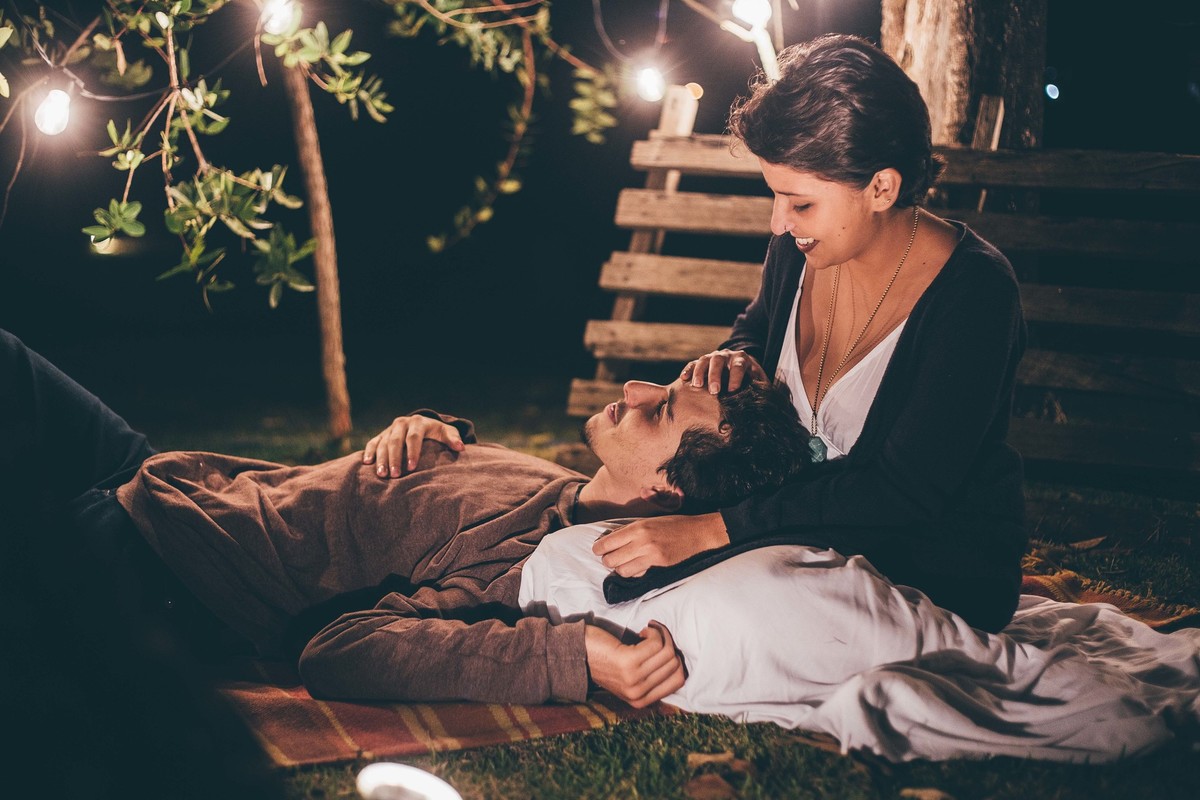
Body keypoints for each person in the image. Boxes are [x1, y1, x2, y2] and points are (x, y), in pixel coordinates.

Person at [0, 327, 808, 713]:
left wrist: (570, 655)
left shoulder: (533, 573)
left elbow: (340, 653)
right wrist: (429, 425)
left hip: (161, 563)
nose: (632, 390)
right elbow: (437, 496)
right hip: (170, 477)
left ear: (669, 492)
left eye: (659, 409)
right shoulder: (565, 486)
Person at [592, 34, 1028, 634]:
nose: (778, 223)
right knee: (620, 572)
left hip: (925, 567)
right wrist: (738, 359)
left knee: (705, 600)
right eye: (775, 197)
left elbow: (903, 490)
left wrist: (713, 530)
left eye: (799, 204)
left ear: (882, 188)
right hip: (789, 540)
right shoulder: (797, 253)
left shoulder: (974, 293)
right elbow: (758, 330)